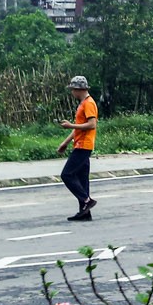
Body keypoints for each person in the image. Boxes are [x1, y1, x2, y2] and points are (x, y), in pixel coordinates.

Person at [56, 74, 99, 221]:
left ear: (78, 89)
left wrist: (70, 125)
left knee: (67, 175)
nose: (72, 93)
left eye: (73, 90)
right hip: (80, 143)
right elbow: (78, 129)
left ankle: (87, 201)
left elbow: (92, 124)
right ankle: (85, 213)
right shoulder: (82, 104)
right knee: (82, 179)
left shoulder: (89, 103)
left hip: (84, 145)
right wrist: (66, 142)